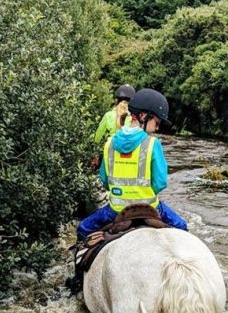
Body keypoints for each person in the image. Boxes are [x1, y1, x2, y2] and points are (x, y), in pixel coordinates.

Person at [77, 88, 188, 240]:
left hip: (115, 209)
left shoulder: (110, 143)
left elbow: (104, 179)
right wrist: (143, 193)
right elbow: (160, 182)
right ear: (143, 116)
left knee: (83, 228)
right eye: (157, 122)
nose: (157, 127)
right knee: (182, 226)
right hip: (150, 207)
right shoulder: (152, 144)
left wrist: (120, 191)